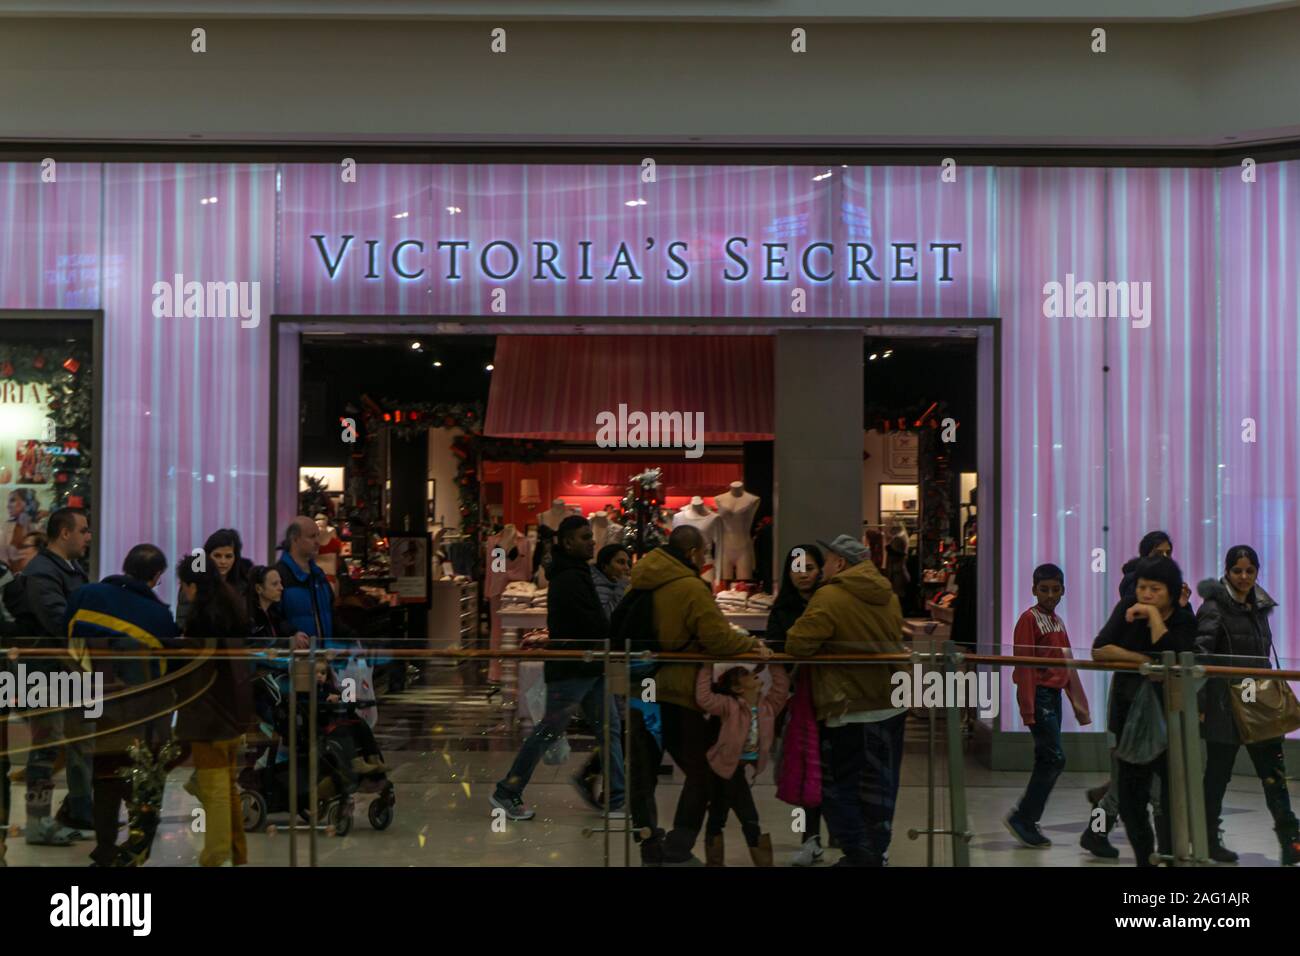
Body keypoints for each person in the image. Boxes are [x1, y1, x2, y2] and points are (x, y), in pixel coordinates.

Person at [624, 524, 770, 866]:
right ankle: (676, 848)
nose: (704, 560)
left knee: (643, 774)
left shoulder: (644, 579)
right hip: (675, 691)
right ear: (692, 553)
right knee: (703, 771)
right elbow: (718, 637)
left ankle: (651, 849)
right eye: (703, 553)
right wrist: (753, 646)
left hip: (640, 687)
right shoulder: (690, 587)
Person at [784, 533, 909, 867]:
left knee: (837, 786)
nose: (822, 567)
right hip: (891, 700)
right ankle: (876, 850)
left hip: (847, 704)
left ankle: (858, 852)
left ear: (840, 562)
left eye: (825, 560)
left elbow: (798, 643)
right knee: (883, 784)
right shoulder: (888, 595)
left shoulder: (830, 596)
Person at [491, 516, 626, 820]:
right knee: (550, 730)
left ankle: (616, 799)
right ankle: (507, 791)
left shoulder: (575, 573)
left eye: (591, 536)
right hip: (573, 667)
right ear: (567, 542)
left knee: (610, 729)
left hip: (588, 665)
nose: (591, 541)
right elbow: (587, 623)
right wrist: (611, 633)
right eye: (584, 537)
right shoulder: (569, 578)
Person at [64, 544, 182, 866]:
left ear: (124, 566)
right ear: (157, 576)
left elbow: (66, 645)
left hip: (97, 708)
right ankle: (133, 851)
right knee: (142, 787)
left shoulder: (85, 596)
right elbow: (169, 670)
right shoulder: (159, 616)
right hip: (143, 716)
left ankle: (103, 849)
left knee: (105, 783)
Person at [1082, 530, 1191, 857]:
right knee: (1122, 790)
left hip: (1162, 715)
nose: (1165, 557)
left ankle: (1098, 832)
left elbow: (1176, 656)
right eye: (1159, 552)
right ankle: (1097, 832)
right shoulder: (1130, 600)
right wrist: (1146, 661)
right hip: (1128, 711)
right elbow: (1101, 648)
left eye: (1169, 552)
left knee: (1129, 791)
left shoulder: (1179, 610)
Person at [1195, 545, 1300, 866]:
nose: (1243, 577)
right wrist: (1200, 704)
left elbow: (1263, 657)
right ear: (1226, 571)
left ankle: (1290, 843)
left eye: (1249, 571)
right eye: (1237, 570)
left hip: (1260, 704)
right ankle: (1209, 840)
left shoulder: (1259, 605)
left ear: (1256, 572)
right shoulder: (1213, 608)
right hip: (1224, 705)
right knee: (1217, 776)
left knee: (1274, 774)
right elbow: (1200, 657)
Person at [174, 556, 254, 867]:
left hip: (207, 712)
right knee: (227, 785)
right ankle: (237, 851)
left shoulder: (201, 619)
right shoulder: (232, 607)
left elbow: (195, 666)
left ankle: (215, 854)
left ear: (193, 585)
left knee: (213, 785)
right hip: (232, 708)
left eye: (184, 585)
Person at [21, 506, 94, 845]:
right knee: (46, 746)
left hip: (74, 670)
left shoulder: (72, 569)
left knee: (83, 740)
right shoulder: (41, 572)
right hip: (46, 673)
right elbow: (57, 619)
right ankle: (37, 821)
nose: (88, 536)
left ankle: (79, 808)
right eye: (83, 530)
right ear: (65, 533)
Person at [1005, 563, 1091, 849]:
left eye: (1055, 589)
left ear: (1063, 591)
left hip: (1051, 697)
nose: (1050, 595)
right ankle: (1024, 818)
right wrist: (1028, 707)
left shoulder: (1057, 622)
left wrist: (1079, 704)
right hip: (1040, 696)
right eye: (1044, 589)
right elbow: (1025, 667)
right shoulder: (1028, 620)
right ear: (1033, 590)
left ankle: (1026, 818)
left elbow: (1066, 663)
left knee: (1049, 757)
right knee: (1053, 758)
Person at [766, 543, 826, 865]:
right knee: (806, 768)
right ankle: (810, 836)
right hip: (799, 701)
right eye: (797, 568)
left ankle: (839, 832)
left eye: (810, 568)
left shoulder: (830, 602)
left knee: (833, 766)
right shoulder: (782, 609)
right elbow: (776, 649)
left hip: (832, 695)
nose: (803, 575)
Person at [695, 662, 790, 866]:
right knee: (748, 816)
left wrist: (774, 662)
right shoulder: (729, 706)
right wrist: (706, 667)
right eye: (745, 675)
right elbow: (704, 698)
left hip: (736, 768)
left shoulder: (768, 706)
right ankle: (762, 861)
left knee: (719, 815)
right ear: (738, 689)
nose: (753, 674)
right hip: (721, 768)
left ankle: (715, 861)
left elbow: (781, 688)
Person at [574, 544, 632, 802]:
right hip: (603, 663)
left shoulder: (608, 584)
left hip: (614, 660)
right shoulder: (599, 587)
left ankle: (607, 785)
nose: (625, 568)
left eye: (627, 563)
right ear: (606, 564)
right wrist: (621, 590)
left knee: (617, 726)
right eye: (620, 562)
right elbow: (607, 620)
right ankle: (606, 785)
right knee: (615, 726)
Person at [177, 528, 253, 632]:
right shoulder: (193, 583)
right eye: (217, 556)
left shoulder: (243, 585)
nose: (223, 561)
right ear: (207, 557)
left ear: (235, 558)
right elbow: (182, 623)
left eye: (228, 556)